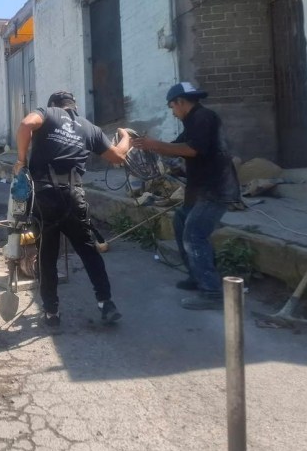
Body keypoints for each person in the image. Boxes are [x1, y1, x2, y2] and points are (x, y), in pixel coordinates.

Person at [15, 91, 131, 328]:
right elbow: (118, 157)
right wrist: (126, 136)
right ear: (74, 107)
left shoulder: (47, 113)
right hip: (74, 195)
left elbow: (26, 124)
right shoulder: (90, 128)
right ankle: (106, 303)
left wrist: (21, 160)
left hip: (46, 195)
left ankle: (51, 312)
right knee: (89, 251)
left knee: (47, 256)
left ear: (54, 105)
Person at [129, 82, 241, 310]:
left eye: (172, 107)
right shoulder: (192, 122)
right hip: (200, 188)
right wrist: (149, 148)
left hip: (215, 188)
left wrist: (154, 144)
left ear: (180, 102)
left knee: (194, 233)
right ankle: (196, 276)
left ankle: (211, 291)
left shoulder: (204, 117)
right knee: (181, 221)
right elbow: (177, 147)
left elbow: (192, 149)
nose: (172, 112)